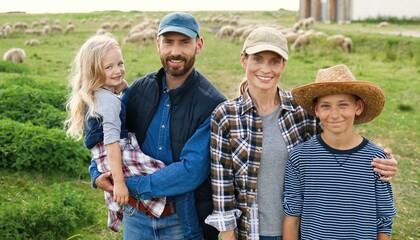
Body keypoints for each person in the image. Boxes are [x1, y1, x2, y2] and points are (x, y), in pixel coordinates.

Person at [205, 27, 398, 240]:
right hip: (252, 231)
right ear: (244, 60)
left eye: (274, 61)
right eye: (258, 59)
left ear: (283, 65)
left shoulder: (300, 111)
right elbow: (222, 183)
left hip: (303, 229)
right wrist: (228, 234)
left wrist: (381, 158)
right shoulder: (226, 115)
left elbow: (340, 137)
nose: (266, 69)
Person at [88, 12, 226, 239]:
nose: (175, 51)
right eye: (168, 42)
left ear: (199, 45)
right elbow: (109, 136)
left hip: (180, 222)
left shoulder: (213, 104)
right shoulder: (137, 90)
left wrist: (126, 185)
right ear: (157, 44)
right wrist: (96, 174)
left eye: (184, 42)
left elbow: (190, 171)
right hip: (136, 217)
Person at [65, 34, 176, 232]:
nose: (117, 70)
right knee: (161, 171)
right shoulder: (109, 102)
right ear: (94, 71)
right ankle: (161, 212)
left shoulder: (96, 94)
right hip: (117, 151)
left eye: (120, 63)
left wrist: (120, 87)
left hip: (104, 156)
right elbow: (112, 143)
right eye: (109, 67)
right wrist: (118, 183)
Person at [283, 64, 397, 239]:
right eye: (326, 106)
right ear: (316, 110)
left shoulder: (377, 160)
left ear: (358, 107)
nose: (334, 114)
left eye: (343, 105)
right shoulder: (300, 157)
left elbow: (383, 222)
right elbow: (292, 217)